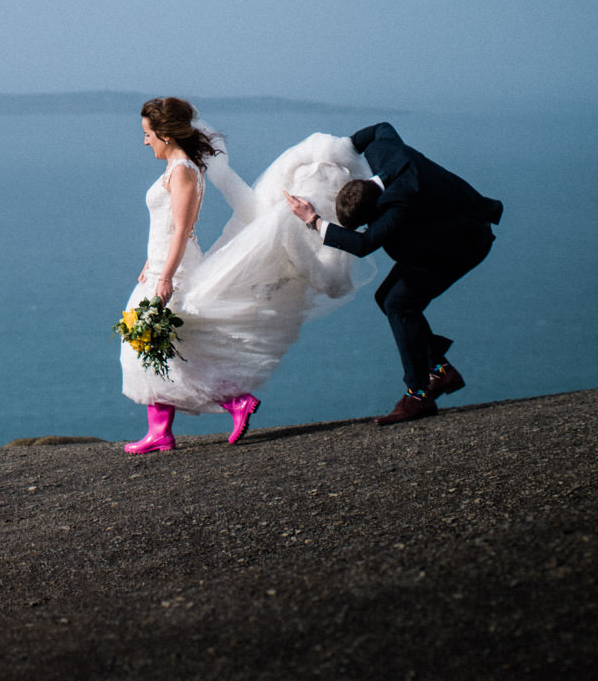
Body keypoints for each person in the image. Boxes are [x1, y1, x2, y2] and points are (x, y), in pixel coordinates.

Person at [121, 98, 373, 454]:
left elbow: (180, 230)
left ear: (164, 134)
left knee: (148, 340)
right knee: (163, 343)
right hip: (162, 262)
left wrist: (164, 276)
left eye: (148, 134)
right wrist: (152, 262)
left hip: (172, 267)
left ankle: (224, 406)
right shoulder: (179, 168)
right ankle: (173, 426)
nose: (145, 141)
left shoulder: (182, 172)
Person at [284, 122, 502, 425]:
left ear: (376, 213)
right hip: (442, 231)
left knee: (399, 305)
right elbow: (380, 128)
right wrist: (340, 149)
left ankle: (418, 394)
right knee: (386, 298)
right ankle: (441, 371)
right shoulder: (384, 152)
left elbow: (363, 244)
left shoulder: (398, 206)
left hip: (463, 244)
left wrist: (315, 221)